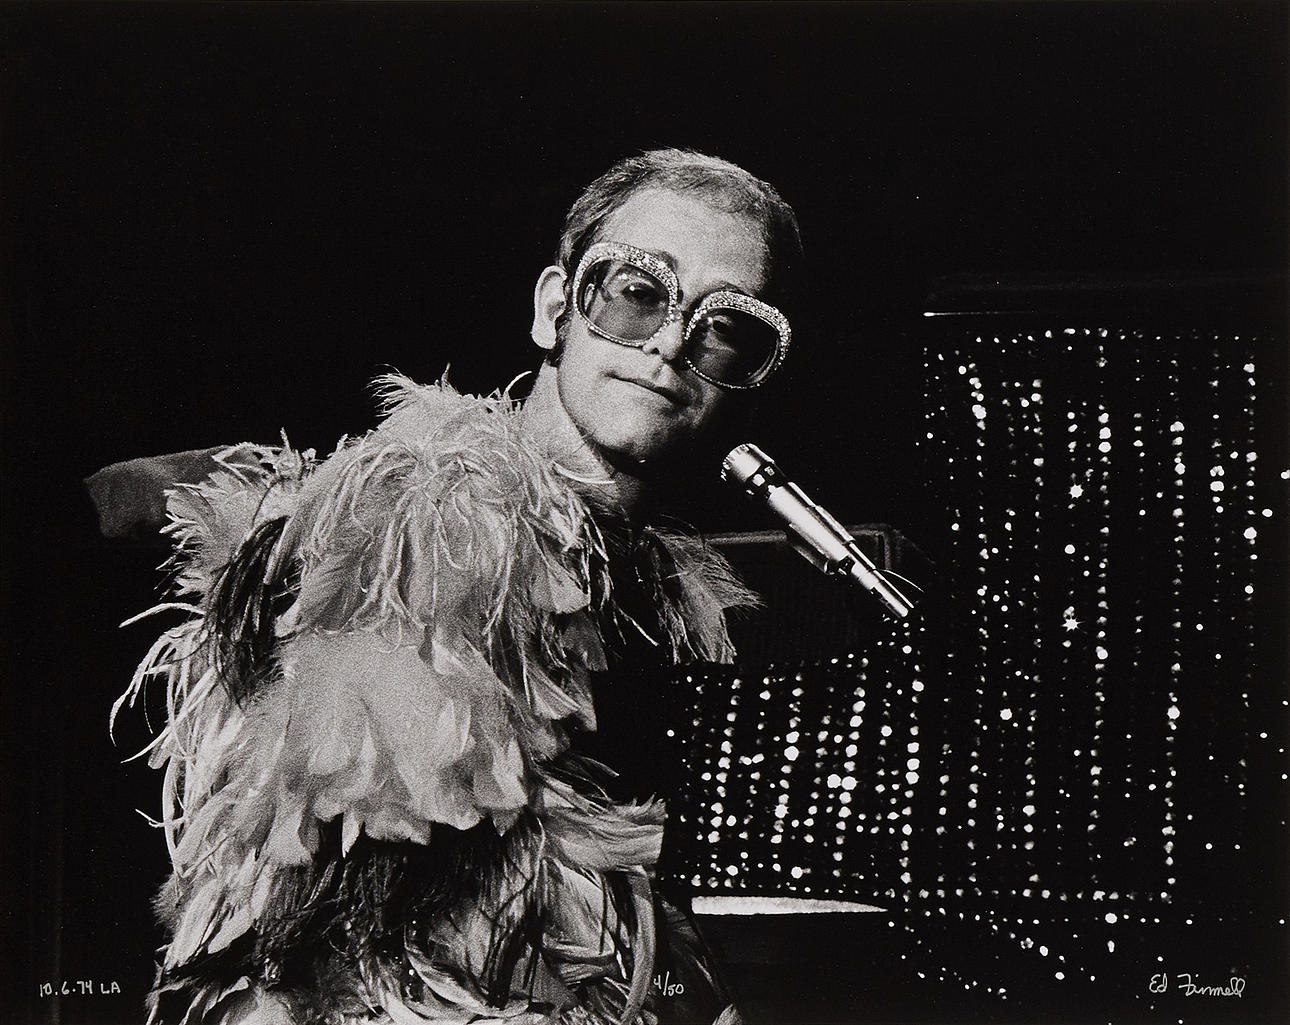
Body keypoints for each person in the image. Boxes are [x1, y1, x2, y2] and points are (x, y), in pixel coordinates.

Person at [114, 148, 801, 1025]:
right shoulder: (434, 519)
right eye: (636, 290)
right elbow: (341, 952)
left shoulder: (650, 586)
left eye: (725, 327)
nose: (669, 343)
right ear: (555, 309)